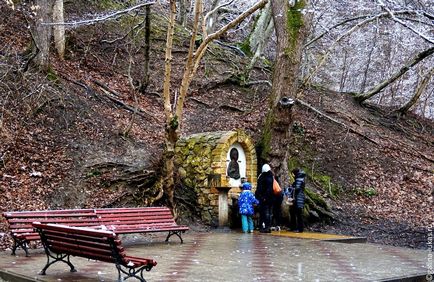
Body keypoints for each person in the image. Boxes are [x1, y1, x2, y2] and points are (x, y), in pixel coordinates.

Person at [255, 164, 274, 233]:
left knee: (264, 213)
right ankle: (266, 227)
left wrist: (263, 197)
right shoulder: (271, 176)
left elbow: (261, 188)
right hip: (269, 198)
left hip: (264, 198)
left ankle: (264, 227)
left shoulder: (263, 177)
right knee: (267, 213)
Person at [288, 168, 306, 232]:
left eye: (293, 174)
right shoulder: (300, 178)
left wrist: (291, 188)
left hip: (298, 199)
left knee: (298, 214)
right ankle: (293, 227)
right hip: (297, 199)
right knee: (293, 212)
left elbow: (297, 189)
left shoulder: (299, 179)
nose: (292, 175)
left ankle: (299, 228)